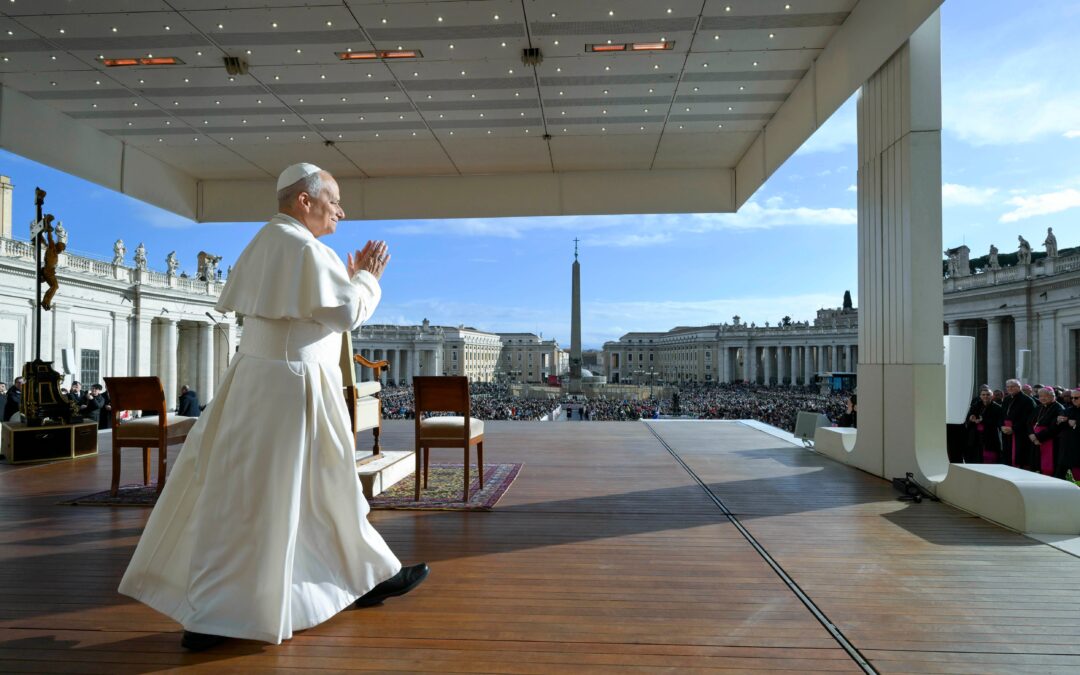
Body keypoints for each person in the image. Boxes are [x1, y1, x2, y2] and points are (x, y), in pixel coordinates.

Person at [118, 162, 427, 652]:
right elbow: (345, 313)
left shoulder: (271, 241)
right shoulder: (304, 247)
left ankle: (362, 578)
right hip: (292, 390)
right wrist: (366, 280)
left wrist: (342, 279)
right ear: (305, 201)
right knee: (287, 497)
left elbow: (312, 308)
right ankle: (219, 614)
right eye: (334, 201)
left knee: (290, 495)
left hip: (261, 384)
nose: (340, 212)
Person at [1029, 387, 1065, 476]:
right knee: (1036, 464)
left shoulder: (1059, 408)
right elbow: (1029, 422)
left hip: (1049, 441)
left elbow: (1055, 428)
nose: (1042, 398)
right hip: (1035, 439)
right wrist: (1031, 434)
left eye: (1046, 396)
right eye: (1040, 396)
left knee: (1049, 466)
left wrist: (1038, 437)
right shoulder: (1038, 407)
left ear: (1053, 396)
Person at [1000, 379, 1036, 468]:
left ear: (1019, 387)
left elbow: (1028, 419)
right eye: (1008, 387)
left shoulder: (1027, 400)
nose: (1010, 389)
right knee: (1007, 454)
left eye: (1012, 387)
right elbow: (1001, 415)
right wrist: (1001, 426)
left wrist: (1013, 428)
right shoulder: (1007, 399)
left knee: (1019, 456)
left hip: (1020, 434)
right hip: (1006, 432)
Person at [965, 389, 1002, 463]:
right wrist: (971, 418)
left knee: (989, 460)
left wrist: (984, 420)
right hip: (976, 436)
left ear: (992, 396)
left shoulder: (997, 408)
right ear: (980, 396)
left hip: (990, 436)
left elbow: (999, 422)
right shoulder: (975, 406)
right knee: (975, 458)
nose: (985, 396)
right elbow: (968, 418)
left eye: (988, 395)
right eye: (983, 395)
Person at [1056, 390, 1080, 480]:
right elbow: (1061, 425)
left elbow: (1072, 423)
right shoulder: (1068, 410)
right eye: (1072, 398)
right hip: (1066, 446)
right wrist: (1059, 421)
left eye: (1076, 398)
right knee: (1060, 474)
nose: (1073, 400)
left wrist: (1076, 423)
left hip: (1078, 447)